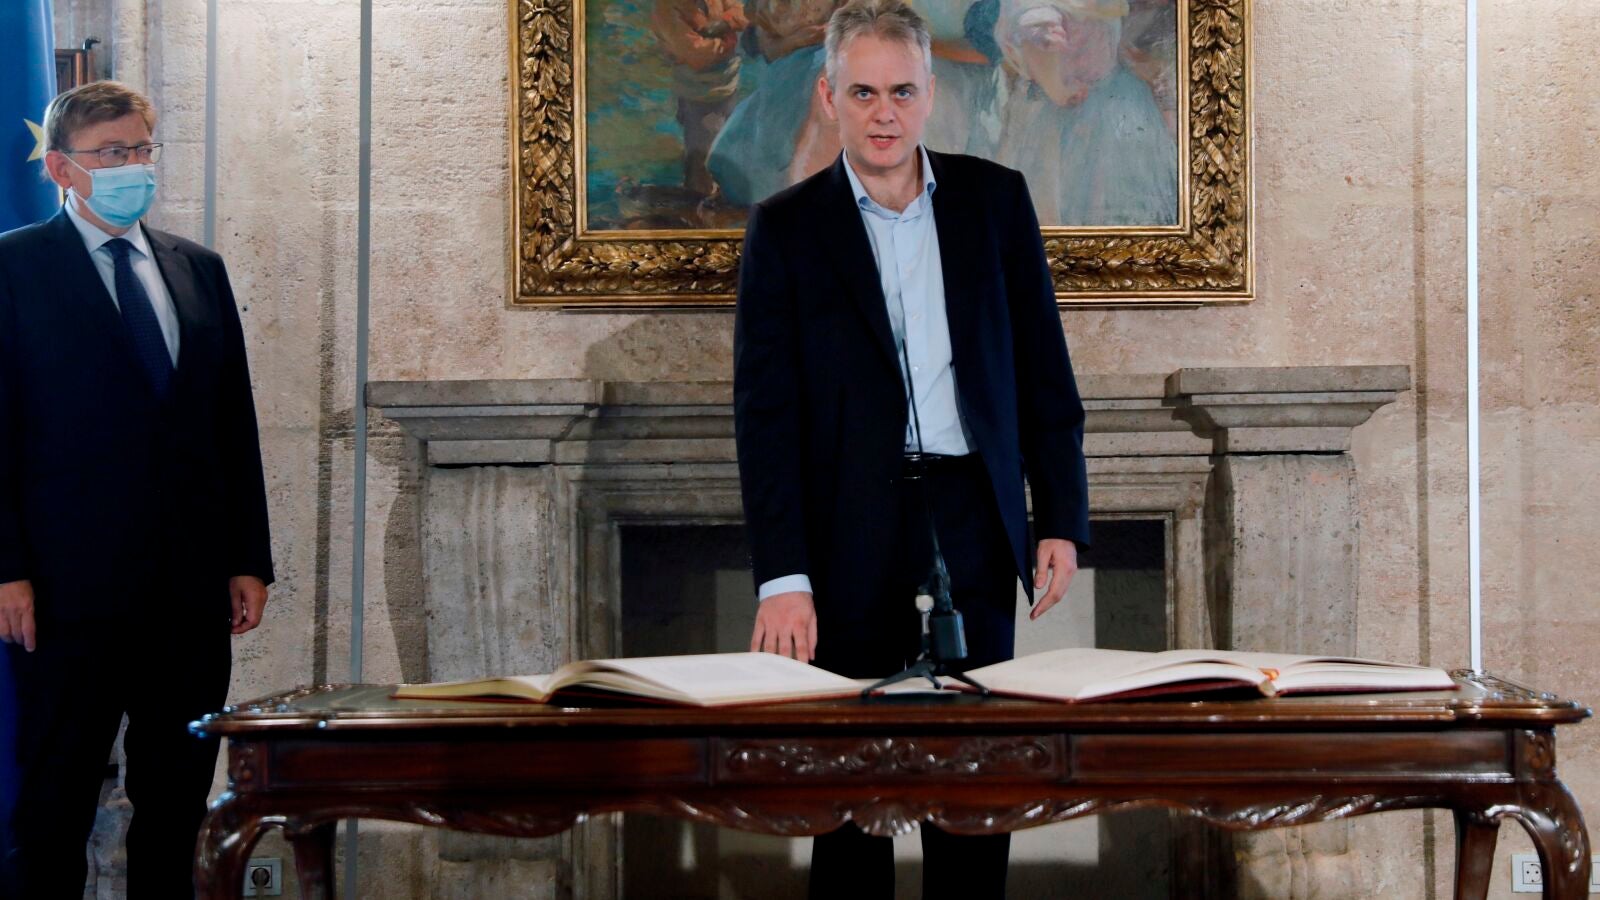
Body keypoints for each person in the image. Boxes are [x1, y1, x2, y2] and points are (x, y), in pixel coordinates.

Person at [731, 1, 1090, 895]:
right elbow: (766, 420)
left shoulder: (995, 203)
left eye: (900, 91)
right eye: (863, 93)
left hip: (973, 520)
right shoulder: (785, 228)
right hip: (848, 529)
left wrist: (1060, 517)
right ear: (829, 97)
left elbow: (1043, 374)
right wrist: (783, 576)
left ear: (931, 94)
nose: (883, 113)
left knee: (971, 798)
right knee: (854, 805)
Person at [0, 80, 274, 898]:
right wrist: (6, 569)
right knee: (53, 805)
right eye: (112, 152)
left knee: (178, 801)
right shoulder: (13, 267)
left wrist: (247, 558)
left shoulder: (198, 269)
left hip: (187, 592)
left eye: (142, 149)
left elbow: (231, 423)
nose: (133, 166)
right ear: (61, 168)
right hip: (63, 591)